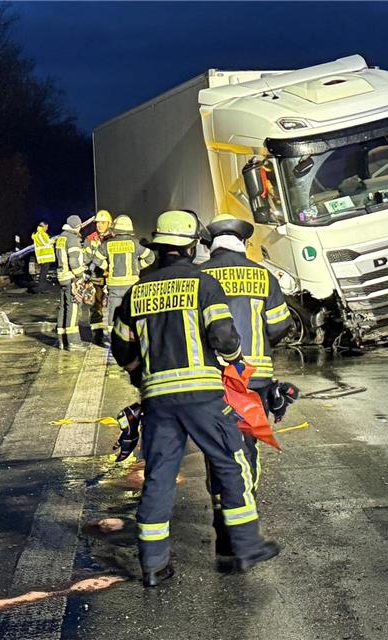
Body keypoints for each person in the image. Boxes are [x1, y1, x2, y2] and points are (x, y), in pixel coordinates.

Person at [110, 210, 279, 587]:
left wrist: (141, 374)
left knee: (158, 478)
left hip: (158, 401)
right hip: (203, 396)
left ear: (157, 246)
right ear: (189, 246)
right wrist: (235, 361)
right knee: (230, 463)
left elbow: (121, 347)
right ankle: (246, 544)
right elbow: (223, 335)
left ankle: (154, 566)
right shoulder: (202, 285)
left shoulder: (138, 291)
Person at [201, 213, 293, 558]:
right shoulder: (262, 276)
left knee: (218, 452)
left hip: (214, 382)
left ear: (211, 244)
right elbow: (281, 326)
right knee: (246, 449)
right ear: (243, 243)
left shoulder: (200, 275)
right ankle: (243, 512)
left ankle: (223, 520)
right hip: (253, 383)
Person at [91, 214, 154, 338]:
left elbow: (96, 259)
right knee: (131, 311)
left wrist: (107, 267)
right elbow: (150, 257)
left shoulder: (108, 244)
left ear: (115, 230)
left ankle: (113, 337)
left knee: (113, 311)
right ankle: (130, 337)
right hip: (131, 285)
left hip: (114, 285)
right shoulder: (135, 243)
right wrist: (138, 267)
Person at [54, 214, 88, 351]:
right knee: (73, 309)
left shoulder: (61, 237)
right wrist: (80, 275)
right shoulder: (72, 238)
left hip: (62, 277)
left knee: (64, 308)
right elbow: (73, 261)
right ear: (77, 226)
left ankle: (62, 340)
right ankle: (73, 342)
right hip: (71, 278)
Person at [85, 210, 114, 346]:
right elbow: (86, 258)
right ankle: (97, 335)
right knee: (96, 306)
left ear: (109, 223)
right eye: (98, 223)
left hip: (113, 278)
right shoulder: (90, 239)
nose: (100, 225)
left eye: (103, 223)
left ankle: (117, 335)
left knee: (116, 307)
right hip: (97, 277)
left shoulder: (114, 238)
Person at [31, 221, 55, 290]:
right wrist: (53, 241)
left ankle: (42, 287)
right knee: (43, 273)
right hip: (44, 256)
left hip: (43, 256)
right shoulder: (41, 234)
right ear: (43, 226)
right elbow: (46, 243)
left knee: (43, 272)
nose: (47, 229)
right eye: (46, 227)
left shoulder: (39, 234)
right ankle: (41, 288)